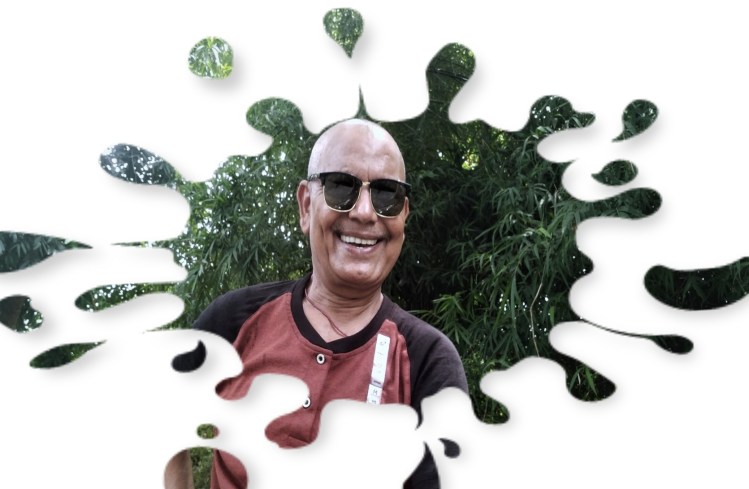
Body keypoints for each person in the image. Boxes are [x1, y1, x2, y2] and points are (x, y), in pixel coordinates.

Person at [165, 119, 468, 489]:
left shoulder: (428, 360)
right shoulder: (234, 321)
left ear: (403, 216)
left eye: (386, 194)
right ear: (306, 205)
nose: (365, 212)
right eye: (342, 187)